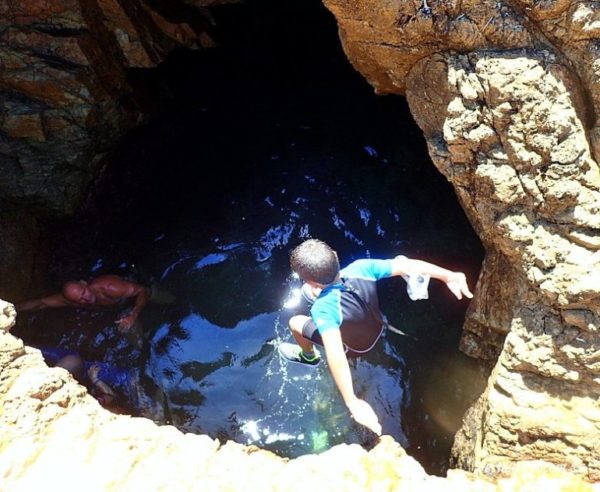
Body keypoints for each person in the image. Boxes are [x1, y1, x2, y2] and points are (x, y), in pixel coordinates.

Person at [278, 239, 473, 436]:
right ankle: (326, 288)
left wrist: (351, 400)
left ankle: (308, 356)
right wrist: (449, 275)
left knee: (295, 323)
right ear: (336, 256)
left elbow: (335, 353)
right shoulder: (362, 267)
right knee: (395, 265)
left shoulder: (324, 308)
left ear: (309, 281)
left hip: (353, 348)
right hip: (378, 327)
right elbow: (408, 265)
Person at [15, 275, 151, 333]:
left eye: (84, 292)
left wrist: (134, 314)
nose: (86, 299)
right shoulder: (71, 300)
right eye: (80, 299)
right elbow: (41, 303)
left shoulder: (109, 287)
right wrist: (14, 309)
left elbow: (142, 290)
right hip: (118, 308)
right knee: (134, 339)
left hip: (139, 295)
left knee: (166, 299)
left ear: (84, 283)